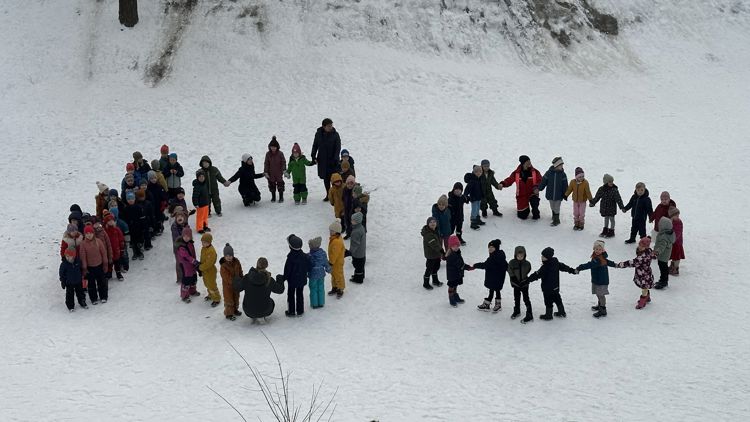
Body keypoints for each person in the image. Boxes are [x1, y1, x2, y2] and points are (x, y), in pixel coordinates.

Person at [527, 247, 576, 320]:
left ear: (548, 257)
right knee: (557, 299)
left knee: (548, 301)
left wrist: (527, 280)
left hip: (547, 289)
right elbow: (564, 267)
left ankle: (548, 315)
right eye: (542, 256)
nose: (542, 257)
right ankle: (562, 312)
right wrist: (572, 270)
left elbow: (537, 275)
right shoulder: (555, 262)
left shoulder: (545, 267)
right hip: (555, 287)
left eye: (544, 257)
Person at [233, 257, 285, 322]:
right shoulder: (269, 279)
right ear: (266, 266)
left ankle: (254, 314)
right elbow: (280, 290)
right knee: (271, 301)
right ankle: (261, 315)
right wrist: (280, 279)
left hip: (248, 311)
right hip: (265, 310)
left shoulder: (247, 278)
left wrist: (236, 278)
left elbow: (237, 288)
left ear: (257, 264)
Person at [576, 240, 617, 318]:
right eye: (596, 249)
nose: (598, 251)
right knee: (598, 294)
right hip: (597, 279)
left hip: (601, 280)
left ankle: (603, 310)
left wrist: (580, 267)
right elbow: (608, 262)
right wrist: (615, 264)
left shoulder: (599, 259)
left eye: (600, 249)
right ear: (594, 249)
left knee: (601, 295)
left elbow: (590, 265)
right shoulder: (597, 257)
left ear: (602, 250)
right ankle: (600, 305)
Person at [616, 236, 656, 309]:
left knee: (644, 287)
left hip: (644, 274)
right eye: (639, 245)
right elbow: (653, 254)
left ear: (646, 247)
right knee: (645, 287)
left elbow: (632, 263)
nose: (639, 247)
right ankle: (647, 297)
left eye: (642, 246)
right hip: (643, 272)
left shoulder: (642, 257)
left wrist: (620, 264)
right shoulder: (649, 251)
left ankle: (642, 301)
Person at [500, 155, 543, 220]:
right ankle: (526, 208)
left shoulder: (535, 172)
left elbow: (540, 180)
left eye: (529, 161)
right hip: (521, 195)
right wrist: (503, 184)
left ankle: (535, 210)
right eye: (527, 161)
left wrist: (536, 187)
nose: (529, 163)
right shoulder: (516, 173)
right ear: (523, 163)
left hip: (532, 193)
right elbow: (510, 180)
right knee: (522, 216)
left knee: (535, 205)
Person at [472, 239, 507, 313]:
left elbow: (485, 265)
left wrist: (475, 265)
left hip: (497, 278)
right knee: (492, 289)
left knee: (496, 290)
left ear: (496, 248)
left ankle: (498, 304)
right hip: (494, 277)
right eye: (489, 247)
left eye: (492, 247)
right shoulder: (495, 256)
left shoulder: (495, 257)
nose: (490, 249)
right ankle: (487, 304)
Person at [311, 118, 342, 201]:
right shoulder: (318, 134)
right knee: (326, 178)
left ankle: (335, 195)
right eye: (329, 126)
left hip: (333, 160)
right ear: (324, 126)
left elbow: (338, 147)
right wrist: (313, 156)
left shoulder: (335, 134)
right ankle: (328, 194)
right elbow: (315, 145)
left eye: (331, 125)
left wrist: (336, 158)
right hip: (323, 160)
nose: (330, 127)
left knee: (335, 178)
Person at [79, 225, 109, 305]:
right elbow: (83, 256)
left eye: (90, 233)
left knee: (101, 283)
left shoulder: (98, 241)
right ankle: (93, 298)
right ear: (85, 234)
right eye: (87, 233)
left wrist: (105, 264)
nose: (89, 235)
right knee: (91, 285)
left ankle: (103, 296)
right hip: (90, 268)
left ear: (93, 233)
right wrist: (84, 268)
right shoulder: (83, 244)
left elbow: (103, 253)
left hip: (99, 265)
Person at [590, 174, 624, 238]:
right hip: (604, 207)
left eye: (612, 181)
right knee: (606, 218)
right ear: (605, 182)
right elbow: (597, 197)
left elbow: (618, 199)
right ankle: (605, 230)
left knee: (611, 219)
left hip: (611, 207)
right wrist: (593, 202)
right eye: (610, 182)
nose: (611, 183)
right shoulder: (601, 189)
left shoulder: (614, 190)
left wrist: (621, 207)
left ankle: (611, 231)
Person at [283, 234, 310, 317]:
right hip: (301, 279)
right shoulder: (305, 256)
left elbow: (287, 270)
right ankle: (300, 310)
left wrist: (284, 278)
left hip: (292, 281)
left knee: (291, 295)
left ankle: (291, 311)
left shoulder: (290, 258)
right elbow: (308, 267)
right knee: (300, 294)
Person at [538, 157, 568, 227]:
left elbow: (565, 185)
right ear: (556, 166)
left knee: (557, 207)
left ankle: (556, 220)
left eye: (562, 165)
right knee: (552, 206)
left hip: (559, 195)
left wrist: (565, 194)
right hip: (550, 194)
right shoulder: (548, 173)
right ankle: (554, 215)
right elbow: (543, 182)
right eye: (560, 165)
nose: (562, 167)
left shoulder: (563, 174)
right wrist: (539, 188)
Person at [508, 246, 533, 323]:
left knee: (526, 298)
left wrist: (524, 280)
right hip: (516, 284)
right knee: (517, 298)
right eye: (518, 256)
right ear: (515, 255)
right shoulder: (511, 263)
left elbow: (528, 270)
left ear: (524, 255)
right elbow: (510, 272)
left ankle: (529, 313)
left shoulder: (527, 263)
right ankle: (517, 311)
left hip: (524, 284)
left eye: (521, 256)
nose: (520, 257)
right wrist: (514, 280)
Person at [446, 235, 473, 307]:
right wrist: (468, 267)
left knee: (455, 285)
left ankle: (455, 296)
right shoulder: (451, 255)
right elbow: (460, 264)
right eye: (454, 246)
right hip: (452, 274)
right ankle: (451, 298)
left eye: (457, 245)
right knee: (452, 286)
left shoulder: (457, 252)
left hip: (456, 273)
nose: (456, 247)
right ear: (450, 247)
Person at [176, 227, 200, 303]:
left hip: (192, 266)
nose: (186, 238)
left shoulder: (190, 243)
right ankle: (184, 296)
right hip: (186, 267)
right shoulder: (181, 246)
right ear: (182, 236)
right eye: (185, 236)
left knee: (193, 279)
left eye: (188, 236)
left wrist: (195, 262)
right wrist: (194, 261)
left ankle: (192, 291)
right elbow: (186, 256)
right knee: (186, 281)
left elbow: (193, 253)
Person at [220, 243, 244, 321]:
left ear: (233, 255)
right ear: (224, 256)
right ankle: (229, 314)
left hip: (236, 286)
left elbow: (240, 270)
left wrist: (241, 278)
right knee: (229, 300)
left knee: (236, 299)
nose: (229, 257)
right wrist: (234, 281)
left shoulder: (237, 262)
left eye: (230, 256)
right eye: (227, 256)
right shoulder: (223, 266)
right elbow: (226, 277)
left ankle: (235, 310)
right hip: (228, 287)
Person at [564, 167, 592, 231]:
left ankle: (581, 224)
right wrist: (566, 195)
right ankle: (576, 224)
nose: (581, 178)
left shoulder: (585, 183)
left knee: (581, 213)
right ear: (576, 177)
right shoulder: (572, 182)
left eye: (583, 176)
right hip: (575, 201)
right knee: (576, 213)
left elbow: (588, 192)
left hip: (582, 201)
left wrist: (590, 199)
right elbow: (569, 189)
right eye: (580, 177)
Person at [307, 237, 331, 309]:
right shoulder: (323, 253)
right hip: (321, 274)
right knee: (321, 288)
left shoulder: (309, 255)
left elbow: (307, 265)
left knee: (313, 289)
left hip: (313, 275)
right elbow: (326, 262)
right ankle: (321, 302)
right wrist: (328, 269)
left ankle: (314, 303)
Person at [421, 217, 444, 290]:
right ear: (428, 224)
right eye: (430, 222)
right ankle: (426, 283)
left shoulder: (436, 231)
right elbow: (434, 244)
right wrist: (441, 250)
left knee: (436, 267)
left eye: (434, 222)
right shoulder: (428, 234)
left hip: (437, 254)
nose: (433, 223)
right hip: (431, 255)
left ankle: (435, 280)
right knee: (429, 269)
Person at [198, 232, 220, 307]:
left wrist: (200, 267)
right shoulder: (203, 248)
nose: (203, 244)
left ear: (209, 242)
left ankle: (216, 298)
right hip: (205, 271)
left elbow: (209, 263)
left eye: (205, 242)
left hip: (210, 271)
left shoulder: (211, 251)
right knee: (207, 284)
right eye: (202, 242)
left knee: (212, 285)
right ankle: (211, 294)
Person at [653, 216, 675, 290]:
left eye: (660, 225)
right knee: (663, 268)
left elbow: (662, 246)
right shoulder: (667, 233)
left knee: (663, 268)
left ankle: (664, 282)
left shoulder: (664, 236)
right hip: (663, 255)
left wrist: (657, 252)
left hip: (663, 255)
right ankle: (662, 280)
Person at [170, 206, 190, 283]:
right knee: (179, 262)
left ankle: (186, 274)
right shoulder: (174, 227)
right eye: (178, 216)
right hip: (178, 248)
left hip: (186, 246)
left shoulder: (185, 225)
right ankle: (180, 279)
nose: (180, 218)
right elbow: (177, 238)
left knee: (186, 261)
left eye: (181, 216)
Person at [264, 136, 287, 202]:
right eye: (272, 147)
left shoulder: (280, 154)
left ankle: (281, 197)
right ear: (270, 147)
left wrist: (284, 170)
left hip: (279, 172)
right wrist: (266, 172)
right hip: (271, 173)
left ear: (277, 147)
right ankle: (273, 197)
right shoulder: (268, 154)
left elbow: (283, 162)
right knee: (272, 185)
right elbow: (266, 163)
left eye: (274, 147)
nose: (273, 148)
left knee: (280, 185)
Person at [103, 213, 125, 281]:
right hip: (109, 251)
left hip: (116, 250)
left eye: (112, 220)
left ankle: (118, 273)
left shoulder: (117, 229)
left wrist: (122, 248)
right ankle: (109, 273)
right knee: (110, 263)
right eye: (109, 221)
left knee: (117, 262)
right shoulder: (105, 231)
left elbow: (121, 239)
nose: (111, 222)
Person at [328, 219, 346, 298]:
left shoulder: (336, 242)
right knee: (333, 274)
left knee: (338, 275)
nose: (330, 232)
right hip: (334, 262)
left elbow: (335, 254)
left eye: (332, 231)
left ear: (336, 232)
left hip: (337, 262)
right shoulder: (335, 238)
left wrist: (331, 262)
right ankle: (335, 287)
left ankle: (340, 288)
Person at [464, 165, 485, 230]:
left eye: (480, 172)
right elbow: (467, 189)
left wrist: (483, 195)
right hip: (474, 198)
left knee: (478, 209)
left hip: (479, 198)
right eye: (477, 172)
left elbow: (481, 188)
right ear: (474, 172)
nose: (478, 173)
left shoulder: (480, 179)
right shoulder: (472, 181)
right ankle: (473, 223)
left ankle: (477, 220)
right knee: (474, 210)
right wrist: (465, 195)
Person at [349, 212, 366, 283]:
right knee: (361, 265)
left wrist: (350, 252)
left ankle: (358, 279)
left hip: (357, 253)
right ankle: (361, 275)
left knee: (357, 265)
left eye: (352, 220)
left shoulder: (356, 231)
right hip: (362, 252)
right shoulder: (361, 227)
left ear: (357, 222)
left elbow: (354, 244)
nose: (351, 221)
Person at [192, 169, 210, 234]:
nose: (201, 178)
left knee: (205, 216)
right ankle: (199, 228)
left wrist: (208, 201)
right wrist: (195, 203)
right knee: (200, 217)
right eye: (200, 177)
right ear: (197, 178)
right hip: (200, 205)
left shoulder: (205, 184)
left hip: (206, 204)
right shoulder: (197, 186)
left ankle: (205, 226)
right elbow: (194, 196)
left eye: (203, 177)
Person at [668, 207, 684, 276]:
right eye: (676, 216)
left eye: (678, 215)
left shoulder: (678, 222)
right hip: (673, 243)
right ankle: (672, 266)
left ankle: (675, 268)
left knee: (677, 256)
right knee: (673, 255)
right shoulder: (670, 221)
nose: (677, 217)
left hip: (677, 243)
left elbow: (677, 232)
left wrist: (673, 239)